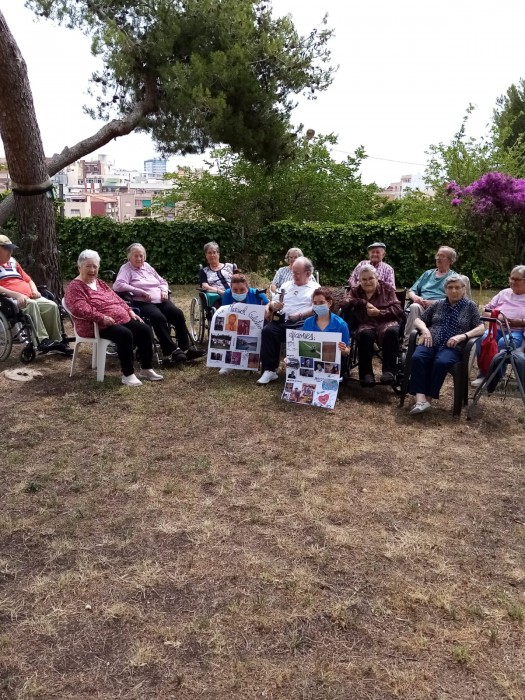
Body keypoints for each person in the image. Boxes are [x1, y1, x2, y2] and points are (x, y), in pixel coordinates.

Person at [64, 249, 163, 387]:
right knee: (125, 334)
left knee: (144, 329)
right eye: (88, 266)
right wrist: (101, 318)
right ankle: (128, 374)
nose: (92, 270)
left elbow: (116, 298)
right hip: (95, 325)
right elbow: (79, 309)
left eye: (95, 266)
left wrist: (129, 310)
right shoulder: (75, 287)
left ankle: (146, 369)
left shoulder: (99, 283)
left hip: (116, 320)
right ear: (79, 267)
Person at [113, 243, 204, 364]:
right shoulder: (126, 269)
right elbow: (118, 285)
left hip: (161, 300)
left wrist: (164, 290)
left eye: (141, 255)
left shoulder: (147, 266)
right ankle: (171, 350)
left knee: (178, 314)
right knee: (158, 317)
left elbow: (162, 281)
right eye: (136, 256)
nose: (139, 258)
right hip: (142, 302)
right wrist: (139, 291)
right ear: (129, 257)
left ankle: (185, 349)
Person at [408, 275, 484, 414]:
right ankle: (420, 399)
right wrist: (425, 330)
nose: (454, 291)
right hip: (431, 341)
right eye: (450, 287)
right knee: (418, 357)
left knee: (441, 362)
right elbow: (418, 320)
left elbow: (481, 328)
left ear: (463, 289)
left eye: (457, 287)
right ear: (445, 290)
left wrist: (463, 336)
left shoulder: (470, 306)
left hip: (453, 347)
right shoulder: (438, 304)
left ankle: (428, 399)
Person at [0, 233, 71, 355]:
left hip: (30, 295)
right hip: (12, 299)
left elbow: (28, 280)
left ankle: (56, 340)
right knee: (31, 305)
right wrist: (17, 295)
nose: (10, 251)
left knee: (51, 305)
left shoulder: (13, 262)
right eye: (7, 249)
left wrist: (35, 291)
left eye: (11, 248)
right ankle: (42, 341)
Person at [258, 256, 320, 384]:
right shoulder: (286, 285)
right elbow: (273, 301)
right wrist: (272, 306)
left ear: (308, 273)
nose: (294, 275)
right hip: (282, 321)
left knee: (302, 334)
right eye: (293, 272)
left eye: (297, 273)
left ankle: (300, 371)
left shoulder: (315, 288)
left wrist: (300, 315)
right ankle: (269, 370)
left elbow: (316, 307)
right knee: (268, 331)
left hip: (302, 322)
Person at [343, 264, 404, 387]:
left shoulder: (387, 289)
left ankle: (389, 372)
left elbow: (398, 309)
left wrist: (379, 312)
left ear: (377, 278)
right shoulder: (356, 290)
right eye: (364, 279)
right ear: (359, 281)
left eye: (371, 278)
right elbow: (344, 302)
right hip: (365, 323)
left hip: (386, 322)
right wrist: (363, 302)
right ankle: (366, 375)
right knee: (365, 334)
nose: (367, 282)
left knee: (391, 332)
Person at [403, 246, 470, 346]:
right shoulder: (427, 274)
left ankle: (429, 341)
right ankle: (408, 344)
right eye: (437, 255)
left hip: (441, 308)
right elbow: (411, 291)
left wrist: (434, 302)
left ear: (450, 261)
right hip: (421, 306)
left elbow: (456, 299)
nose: (438, 258)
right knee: (414, 306)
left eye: (442, 256)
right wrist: (415, 298)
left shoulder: (454, 278)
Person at [471, 265, 525, 386]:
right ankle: (485, 375)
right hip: (497, 328)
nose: (513, 282)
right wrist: (498, 317)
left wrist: (520, 321)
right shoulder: (504, 293)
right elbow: (485, 311)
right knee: (483, 338)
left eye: (517, 279)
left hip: (518, 331)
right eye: (511, 278)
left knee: (503, 342)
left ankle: (496, 377)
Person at [302, 287, 350, 372]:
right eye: (315, 303)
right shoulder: (307, 323)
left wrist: (343, 349)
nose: (317, 306)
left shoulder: (341, 324)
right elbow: (303, 346)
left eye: (321, 302)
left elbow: (347, 351)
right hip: (313, 361)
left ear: (329, 303)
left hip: (333, 363)